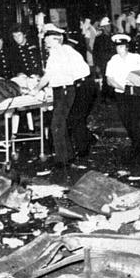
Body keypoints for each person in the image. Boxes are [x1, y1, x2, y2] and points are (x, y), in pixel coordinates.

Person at [30, 24, 90, 170]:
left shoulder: (57, 53)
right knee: (61, 123)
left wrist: (36, 89)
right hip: (67, 89)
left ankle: (62, 160)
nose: (45, 41)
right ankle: (67, 156)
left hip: (63, 91)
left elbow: (49, 75)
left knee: (56, 124)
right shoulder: (67, 50)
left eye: (47, 39)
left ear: (55, 39)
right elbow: (83, 70)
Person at [105, 34, 140, 161]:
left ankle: (136, 145)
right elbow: (109, 80)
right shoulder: (112, 61)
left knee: (135, 119)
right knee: (125, 119)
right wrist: (122, 87)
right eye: (118, 47)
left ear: (127, 47)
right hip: (121, 93)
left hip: (136, 93)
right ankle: (135, 139)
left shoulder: (136, 58)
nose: (120, 49)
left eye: (122, 46)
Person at [93, 17, 115, 103]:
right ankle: (104, 97)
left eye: (110, 26)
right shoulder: (99, 39)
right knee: (106, 80)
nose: (109, 28)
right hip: (103, 63)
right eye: (108, 26)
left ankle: (111, 96)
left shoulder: (112, 37)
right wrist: (97, 65)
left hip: (112, 62)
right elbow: (96, 53)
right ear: (104, 27)